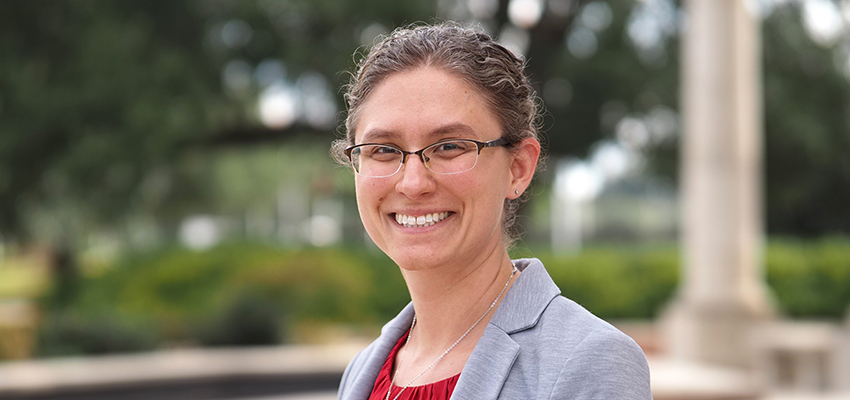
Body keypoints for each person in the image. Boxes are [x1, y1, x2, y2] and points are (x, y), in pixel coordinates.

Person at [333, 22, 651, 400]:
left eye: (450, 146)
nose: (413, 183)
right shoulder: (363, 372)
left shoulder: (589, 361)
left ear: (518, 168)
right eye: (383, 150)